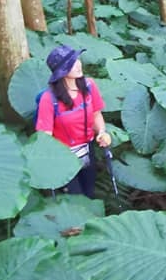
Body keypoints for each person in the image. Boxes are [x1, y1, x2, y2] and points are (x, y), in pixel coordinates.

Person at [35, 44, 111, 197]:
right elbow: (44, 137)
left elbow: (96, 114)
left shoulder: (89, 85)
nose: (78, 65)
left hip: (87, 150)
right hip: (63, 156)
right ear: (61, 72)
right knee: (74, 199)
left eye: (77, 60)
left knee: (89, 193)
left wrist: (102, 132)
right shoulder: (49, 99)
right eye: (71, 64)